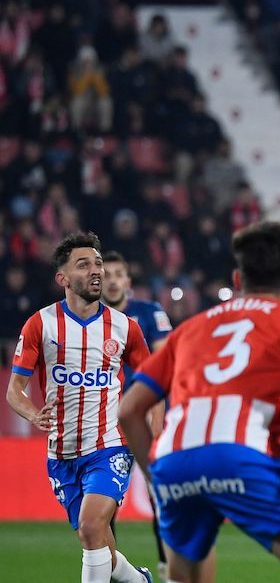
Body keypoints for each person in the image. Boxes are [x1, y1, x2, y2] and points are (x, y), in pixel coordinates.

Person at [119, 221, 280, 583]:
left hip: (174, 462)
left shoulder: (188, 329)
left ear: (237, 279)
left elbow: (129, 410)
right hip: (241, 455)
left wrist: (155, 477)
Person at [5, 232, 153, 583]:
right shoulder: (41, 324)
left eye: (97, 263)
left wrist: (154, 432)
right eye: (83, 265)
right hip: (62, 453)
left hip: (110, 444)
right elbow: (14, 390)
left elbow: (153, 383)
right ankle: (139, 580)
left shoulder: (125, 327)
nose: (96, 270)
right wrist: (32, 413)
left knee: (90, 526)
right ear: (64, 278)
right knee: (97, 542)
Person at [101, 251, 173, 581]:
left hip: (144, 416)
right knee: (104, 501)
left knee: (161, 495)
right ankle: (109, 568)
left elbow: (166, 362)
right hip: (105, 420)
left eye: (119, 274)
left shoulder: (149, 313)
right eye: (107, 274)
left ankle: (167, 566)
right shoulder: (90, 320)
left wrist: (158, 412)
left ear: (128, 281)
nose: (113, 280)